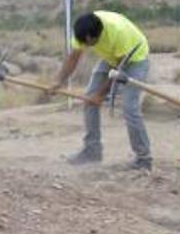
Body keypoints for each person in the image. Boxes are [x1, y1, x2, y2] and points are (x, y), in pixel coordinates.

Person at [48, 11, 153, 169]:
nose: (88, 46)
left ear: (97, 35)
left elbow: (119, 70)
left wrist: (101, 95)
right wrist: (58, 81)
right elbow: (73, 58)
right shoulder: (82, 32)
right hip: (112, 58)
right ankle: (92, 151)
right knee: (89, 99)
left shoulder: (117, 32)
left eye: (91, 43)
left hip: (135, 59)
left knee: (129, 108)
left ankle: (144, 158)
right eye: (85, 42)